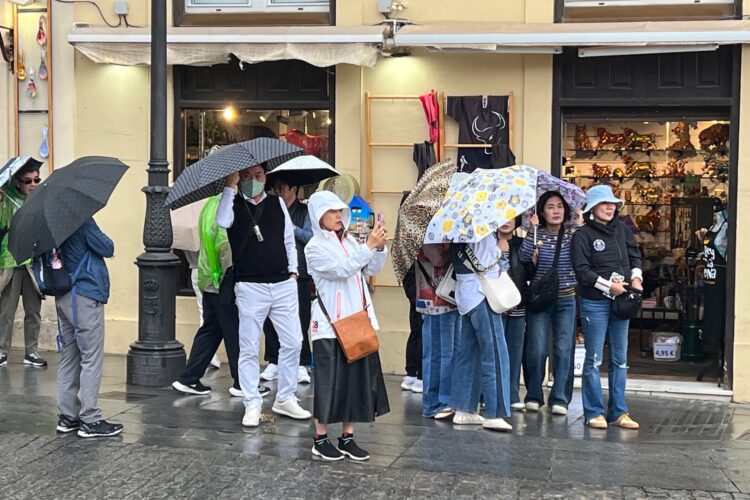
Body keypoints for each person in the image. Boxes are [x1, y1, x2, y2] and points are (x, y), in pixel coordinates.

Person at [217, 164, 311, 427]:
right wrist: (228, 186)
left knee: (293, 341)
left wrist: (293, 272)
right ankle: (251, 401)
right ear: (238, 178)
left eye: (258, 176)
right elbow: (222, 222)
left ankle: (286, 396)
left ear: (265, 177)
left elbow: (287, 240)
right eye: (246, 176)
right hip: (250, 286)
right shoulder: (233, 204)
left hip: (282, 283)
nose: (252, 180)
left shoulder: (276, 204)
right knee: (248, 346)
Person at [305, 191, 390, 461]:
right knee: (329, 382)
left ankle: (347, 437)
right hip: (330, 324)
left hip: (357, 320)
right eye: (331, 212)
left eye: (340, 211)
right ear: (318, 216)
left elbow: (370, 268)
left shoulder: (351, 240)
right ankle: (320, 438)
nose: (338, 216)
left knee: (354, 380)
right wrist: (367, 248)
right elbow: (341, 269)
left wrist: (379, 246)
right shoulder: (314, 247)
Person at [172, 195, 270, 398]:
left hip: (208, 276)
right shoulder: (226, 206)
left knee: (211, 329)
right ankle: (242, 382)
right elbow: (225, 246)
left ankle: (189, 378)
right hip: (224, 279)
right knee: (235, 330)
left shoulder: (208, 206)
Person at [571, 185, 642, 430]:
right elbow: (582, 271)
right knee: (593, 359)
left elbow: (635, 256)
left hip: (622, 301)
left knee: (620, 360)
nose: (610, 207)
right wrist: (607, 286)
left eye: (612, 203)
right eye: (604, 203)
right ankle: (593, 412)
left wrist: (636, 278)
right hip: (595, 302)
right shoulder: (582, 235)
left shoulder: (622, 230)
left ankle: (619, 411)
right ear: (593, 208)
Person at [54, 218, 123, 437]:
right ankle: (90, 419)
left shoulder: (51, 226)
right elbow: (107, 247)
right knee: (91, 358)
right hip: (84, 294)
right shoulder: (82, 222)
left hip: (63, 295)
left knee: (69, 356)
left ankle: (68, 416)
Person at [520, 191, 577, 416]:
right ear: (542, 212)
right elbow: (524, 257)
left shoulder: (573, 234)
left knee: (564, 350)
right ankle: (533, 394)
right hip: (540, 299)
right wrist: (531, 230)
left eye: (560, 206)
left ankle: (560, 398)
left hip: (566, 298)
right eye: (550, 207)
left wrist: (581, 226)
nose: (556, 211)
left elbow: (584, 257)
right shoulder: (537, 233)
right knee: (536, 349)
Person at [448, 234, 512, 432]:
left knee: (469, 354)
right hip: (482, 295)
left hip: (466, 297)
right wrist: (500, 249)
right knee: (495, 354)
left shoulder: (455, 228)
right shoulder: (480, 230)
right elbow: (484, 264)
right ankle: (495, 412)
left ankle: (464, 407)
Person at [260, 178, 313, 385]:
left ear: (294, 188)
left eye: (283, 187)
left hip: (299, 272)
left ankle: (301, 363)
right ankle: (273, 360)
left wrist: (292, 228)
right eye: (276, 188)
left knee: (300, 318)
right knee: (270, 319)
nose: (278, 192)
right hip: (274, 270)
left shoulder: (304, 212)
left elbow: (310, 236)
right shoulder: (270, 209)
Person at [0, 160, 46, 367]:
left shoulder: (40, 201)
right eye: (28, 181)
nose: (33, 184)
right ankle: (1, 351)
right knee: (6, 311)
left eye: (37, 179)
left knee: (33, 310)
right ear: (18, 183)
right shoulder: (7, 200)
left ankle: (32, 352)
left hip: (32, 263)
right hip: (10, 260)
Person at [415, 244, 460, 419]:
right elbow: (437, 258)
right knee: (437, 354)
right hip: (433, 301)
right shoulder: (428, 233)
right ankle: (435, 402)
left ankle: (443, 400)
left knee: (448, 353)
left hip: (449, 299)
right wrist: (455, 248)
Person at [496, 217, 532, 411]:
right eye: (502, 216)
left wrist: (535, 256)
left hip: (518, 305)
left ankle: (512, 393)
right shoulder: (488, 243)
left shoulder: (521, 244)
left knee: (514, 352)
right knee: (496, 351)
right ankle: (491, 395)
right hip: (496, 305)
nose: (506, 221)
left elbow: (530, 273)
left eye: (510, 217)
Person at [401, 264, 424, 393]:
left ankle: (411, 374)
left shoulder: (401, 245)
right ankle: (421, 375)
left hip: (410, 278)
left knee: (416, 330)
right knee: (422, 331)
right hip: (423, 282)